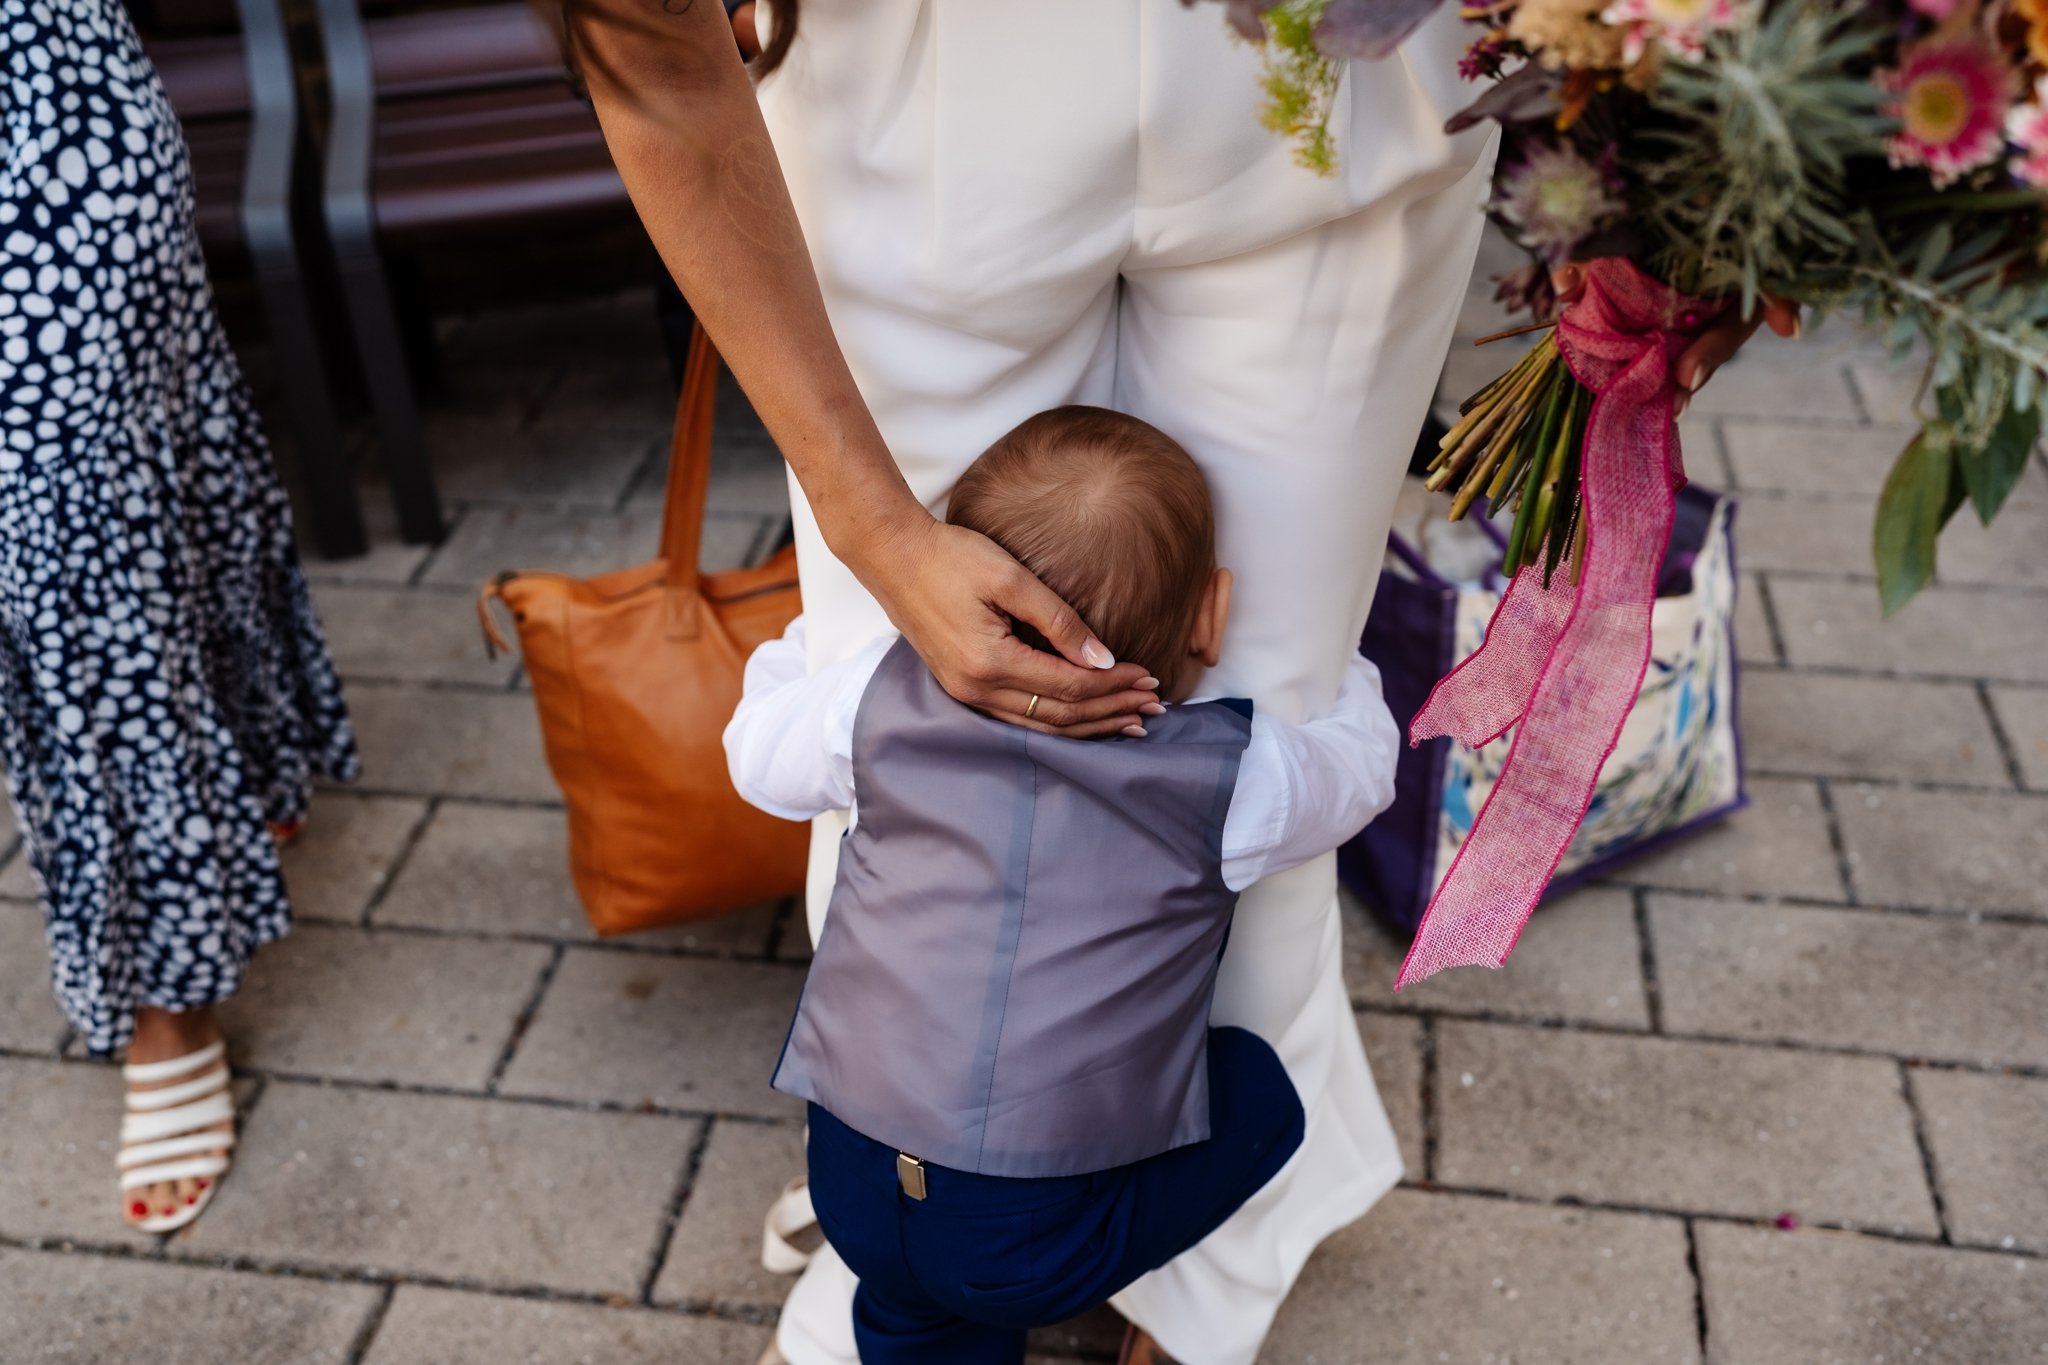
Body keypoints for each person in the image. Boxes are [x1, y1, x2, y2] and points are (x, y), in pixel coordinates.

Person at [566, 2, 1784, 1359]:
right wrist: (873, 527)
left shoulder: (860, 724)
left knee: (898, 703)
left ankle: (1028, 1258)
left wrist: (857, 616)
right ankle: (1161, 1250)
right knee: (1264, 703)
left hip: (1330, 84)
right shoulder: (1229, 763)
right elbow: (1330, 758)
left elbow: (784, 738)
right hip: (953, 89)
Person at [724, 407, 1401, 1365]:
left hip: (852, 1177)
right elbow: (1364, 771)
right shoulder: (1233, 781)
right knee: (1262, 1092)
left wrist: (815, 643)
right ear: (1211, 615)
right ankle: (1150, 1300)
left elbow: (755, 758)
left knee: (922, 1313)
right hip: (1029, 1238)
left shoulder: (870, 701)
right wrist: (1349, 663)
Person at [0, 0, 357, 1232]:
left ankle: (170, 996)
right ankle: (246, 764)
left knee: (82, 524)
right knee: (96, 520)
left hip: (36, 121)